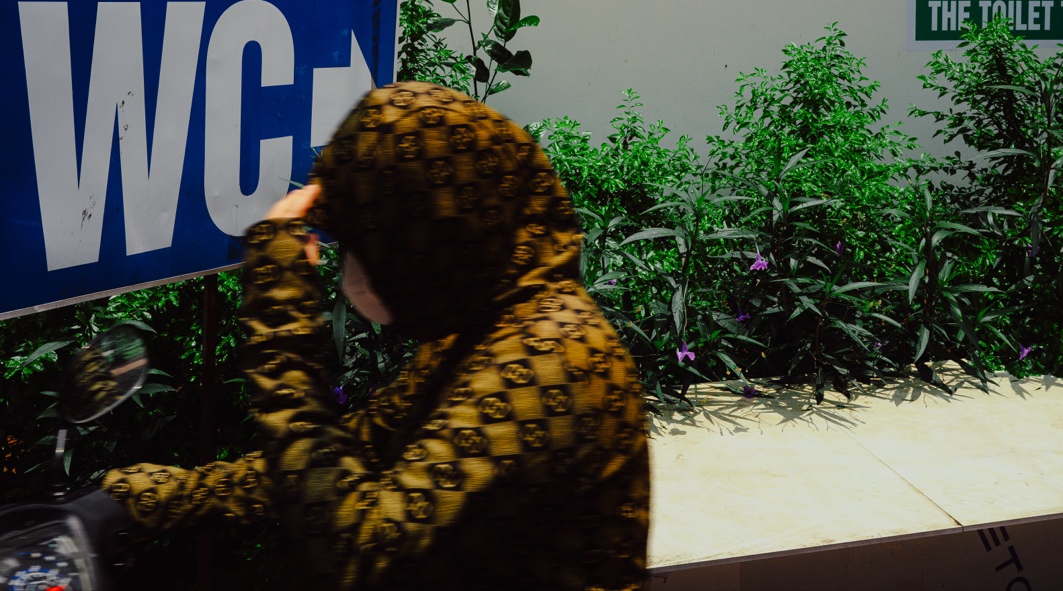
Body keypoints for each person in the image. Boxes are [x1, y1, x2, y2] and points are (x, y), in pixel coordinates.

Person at [101, 83, 651, 589]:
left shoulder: (551, 357)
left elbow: (364, 554)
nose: (351, 268)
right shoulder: (478, 330)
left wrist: (283, 329)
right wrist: (164, 497)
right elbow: (347, 454)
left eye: (365, 241)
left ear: (432, 234)